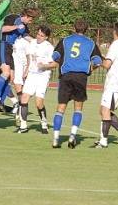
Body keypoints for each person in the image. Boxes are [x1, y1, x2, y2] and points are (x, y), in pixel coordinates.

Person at [39, 19, 103, 149]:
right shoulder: (91, 43)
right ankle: (72, 136)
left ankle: (56, 139)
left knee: (61, 108)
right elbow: (97, 61)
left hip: (66, 76)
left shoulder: (65, 40)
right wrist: (91, 68)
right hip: (80, 77)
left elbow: (55, 56)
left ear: (74, 28)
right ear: (86, 29)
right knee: (78, 108)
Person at [94, 22, 118, 148]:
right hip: (116, 80)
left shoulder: (116, 44)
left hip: (114, 82)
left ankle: (103, 141)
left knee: (105, 110)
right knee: (104, 110)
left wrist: (98, 61)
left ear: (115, 31)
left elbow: (107, 64)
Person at [0, 8, 39, 107]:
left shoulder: (25, 26)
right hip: (3, 45)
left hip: (10, 49)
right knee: (6, 72)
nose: (31, 21)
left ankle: (2, 100)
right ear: (26, 16)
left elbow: (26, 36)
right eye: (30, 19)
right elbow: (2, 29)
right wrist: (16, 26)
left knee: (11, 77)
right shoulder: (13, 17)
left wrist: (37, 42)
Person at [17, 25, 54, 134]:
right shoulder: (32, 43)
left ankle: (43, 122)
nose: (38, 37)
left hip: (43, 76)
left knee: (38, 103)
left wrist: (44, 66)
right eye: (38, 34)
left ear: (46, 37)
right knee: (24, 98)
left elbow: (54, 64)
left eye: (42, 36)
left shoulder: (49, 47)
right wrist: (26, 70)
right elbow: (29, 58)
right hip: (32, 75)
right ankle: (23, 126)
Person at [12, 36, 30, 124]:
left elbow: (29, 57)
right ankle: (19, 109)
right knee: (18, 90)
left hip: (24, 68)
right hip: (15, 68)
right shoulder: (11, 39)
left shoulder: (26, 41)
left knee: (25, 92)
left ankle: (20, 109)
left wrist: (27, 70)